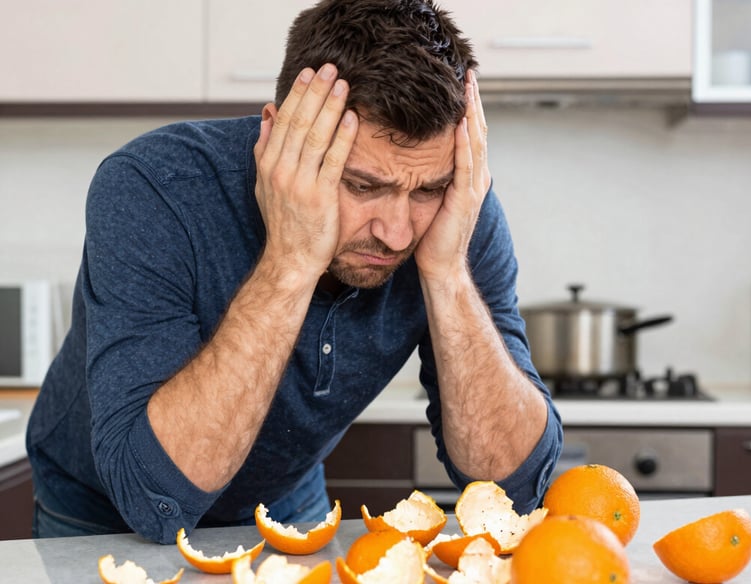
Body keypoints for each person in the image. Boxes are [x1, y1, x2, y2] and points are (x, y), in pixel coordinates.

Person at [26, 0, 563, 545]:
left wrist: (447, 274)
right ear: (277, 142)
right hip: (101, 509)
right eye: (360, 185)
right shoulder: (153, 188)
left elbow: (513, 490)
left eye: (426, 189)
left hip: (283, 500)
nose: (397, 233)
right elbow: (152, 499)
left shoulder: (458, 209)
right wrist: (290, 261)